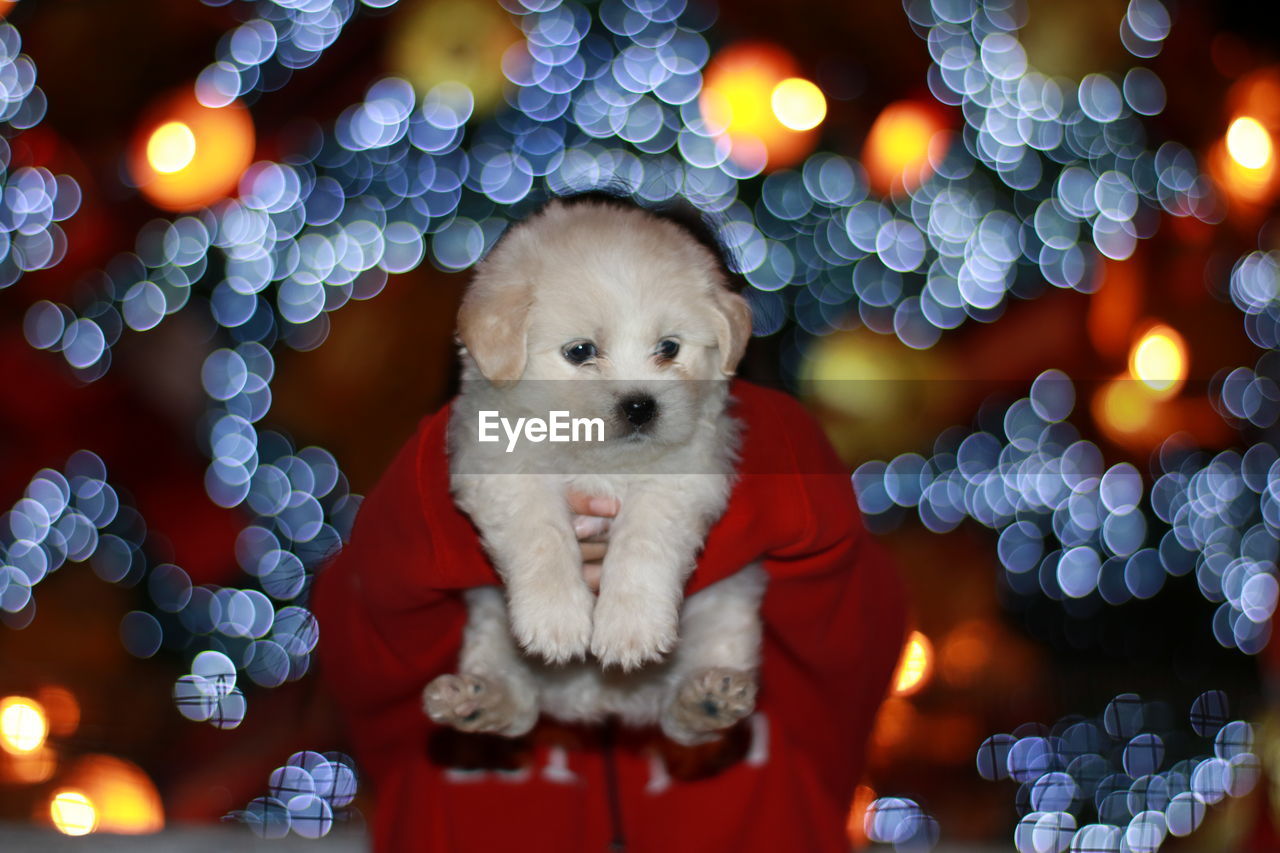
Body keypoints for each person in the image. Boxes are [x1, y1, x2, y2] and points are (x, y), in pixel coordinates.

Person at [312, 379, 907, 853]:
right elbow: (373, 587)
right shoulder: (414, 593)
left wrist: (670, 515)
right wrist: (509, 505)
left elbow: (817, 523)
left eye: (671, 356)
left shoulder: (805, 599)